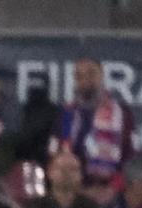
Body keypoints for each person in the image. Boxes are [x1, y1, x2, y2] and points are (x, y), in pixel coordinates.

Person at [50, 57, 134, 189]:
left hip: (110, 190)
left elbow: (130, 155)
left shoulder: (121, 113)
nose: (85, 79)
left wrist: (112, 188)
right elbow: (54, 152)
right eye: (79, 75)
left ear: (101, 75)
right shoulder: (65, 113)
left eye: (91, 73)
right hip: (73, 191)